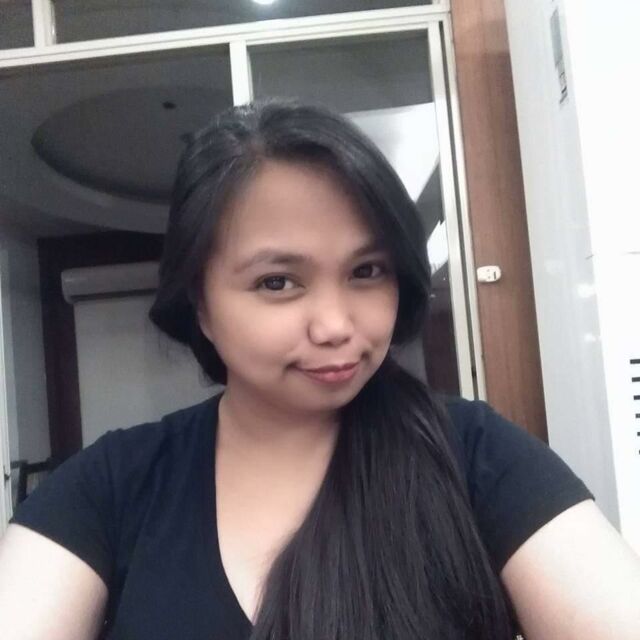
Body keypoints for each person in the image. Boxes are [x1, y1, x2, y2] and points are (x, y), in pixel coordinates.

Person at [1, 99, 639, 640]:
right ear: (201, 304)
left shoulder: (477, 457)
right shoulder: (111, 487)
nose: (335, 325)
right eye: (278, 281)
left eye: (367, 271)